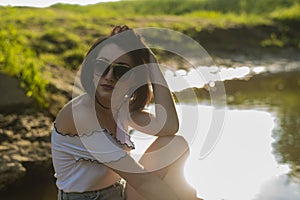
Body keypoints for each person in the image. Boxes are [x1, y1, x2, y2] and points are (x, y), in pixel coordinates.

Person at [51, 25, 200, 200]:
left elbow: (169, 127)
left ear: (135, 78)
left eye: (121, 70)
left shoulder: (119, 107)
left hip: (119, 192)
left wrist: (152, 65)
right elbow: (142, 182)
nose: (109, 76)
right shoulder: (80, 116)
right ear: (91, 70)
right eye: (101, 66)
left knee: (175, 145)